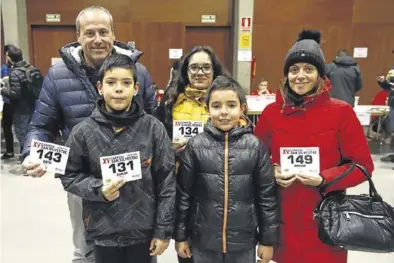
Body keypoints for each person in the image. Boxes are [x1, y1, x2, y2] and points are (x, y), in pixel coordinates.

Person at [21, 6, 157, 263]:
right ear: (78, 36)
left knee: (140, 248)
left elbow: (154, 121)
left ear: (114, 34)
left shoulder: (138, 72)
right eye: (90, 33)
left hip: (134, 180)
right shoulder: (58, 75)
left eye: (103, 32)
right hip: (82, 177)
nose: (97, 39)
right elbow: (41, 124)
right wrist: (31, 152)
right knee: (85, 249)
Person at [254, 29, 374, 263]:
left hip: (327, 225)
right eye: (294, 69)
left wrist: (323, 178)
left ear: (320, 74)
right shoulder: (271, 114)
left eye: (309, 69)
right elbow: (255, 160)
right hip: (282, 223)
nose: (300, 76)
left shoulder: (342, 113)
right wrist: (272, 171)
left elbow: (362, 166)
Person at [59, 54, 175, 263]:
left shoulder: (153, 128)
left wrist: (163, 230)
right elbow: (68, 175)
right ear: (100, 87)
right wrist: (98, 188)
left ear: (136, 88)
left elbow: (166, 182)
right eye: (111, 83)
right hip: (103, 231)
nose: (119, 89)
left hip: (144, 233)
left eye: (126, 83)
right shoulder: (83, 132)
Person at [174, 75, 279, 263]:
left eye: (231, 105)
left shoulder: (255, 147)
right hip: (203, 240)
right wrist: (181, 236)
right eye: (216, 106)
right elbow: (184, 195)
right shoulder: (195, 146)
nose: (224, 112)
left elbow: (267, 197)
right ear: (207, 109)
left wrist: (267, 240)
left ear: (242, 108)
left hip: (243, 242)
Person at [158, 46, 230, 263]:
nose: (200, 72)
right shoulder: (172, 101)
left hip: (221, 185)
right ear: (186, 71)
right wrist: (171, 150)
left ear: (215, 70)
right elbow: (158, 143)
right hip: (184, 186)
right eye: (194, 68)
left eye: (206, 67)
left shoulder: (227, 99)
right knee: (187, 249)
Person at [0, 45, 43, 163]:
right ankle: (33, 158)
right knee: (33, 133)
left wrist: (2, 89)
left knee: (23, 135)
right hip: (34, 107)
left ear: (9, 57)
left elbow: (15, 94)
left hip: (20, 110)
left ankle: (28, 161)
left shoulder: (15, 73)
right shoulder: (32, 68)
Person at [377, 49, 394, 164]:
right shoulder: (392, 69)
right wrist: (382, 82)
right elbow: (388, 86)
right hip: (393, 103)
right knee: (392, 129)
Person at [1, 44, 15, 160]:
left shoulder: (20, 67)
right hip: (7, 101)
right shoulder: (3, 68)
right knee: (6, 126)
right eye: (6, 55)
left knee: (21, 128)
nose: (7, 58)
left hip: (18, 103)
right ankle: (9, 151)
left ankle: (23, 152)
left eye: (8, 55)